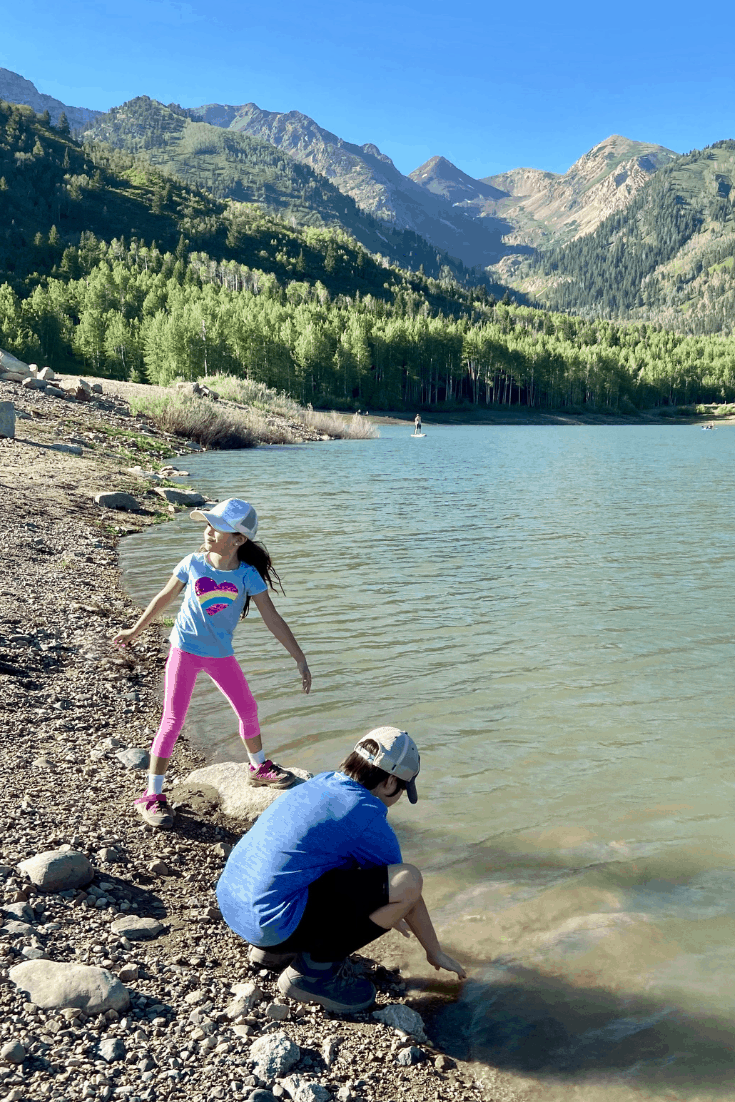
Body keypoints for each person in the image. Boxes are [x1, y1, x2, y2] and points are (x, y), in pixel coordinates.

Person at [216, 727, 466, 1012]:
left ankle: (272, 953)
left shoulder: (321, 782)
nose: (397, 798)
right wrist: (434, 952)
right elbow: (406, 889)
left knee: (321, 865)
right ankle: (312, 974)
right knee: (409, 879)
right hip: (271, 923)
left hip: (234, 905)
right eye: (402, 789)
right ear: (390, 782)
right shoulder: (365, 813)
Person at [112, 498, 311, 828]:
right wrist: (135, 630)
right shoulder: (193, 563)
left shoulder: (248, 576)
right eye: (208, 525)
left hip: (221, 656)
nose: (207, 531)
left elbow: (273, 619)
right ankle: (152, 794)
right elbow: (165, 597)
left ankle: (257, 767)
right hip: (184, 652)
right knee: (172, 720)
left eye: (216, 527)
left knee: (248, 709)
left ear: (238, 539)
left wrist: (300, 659)